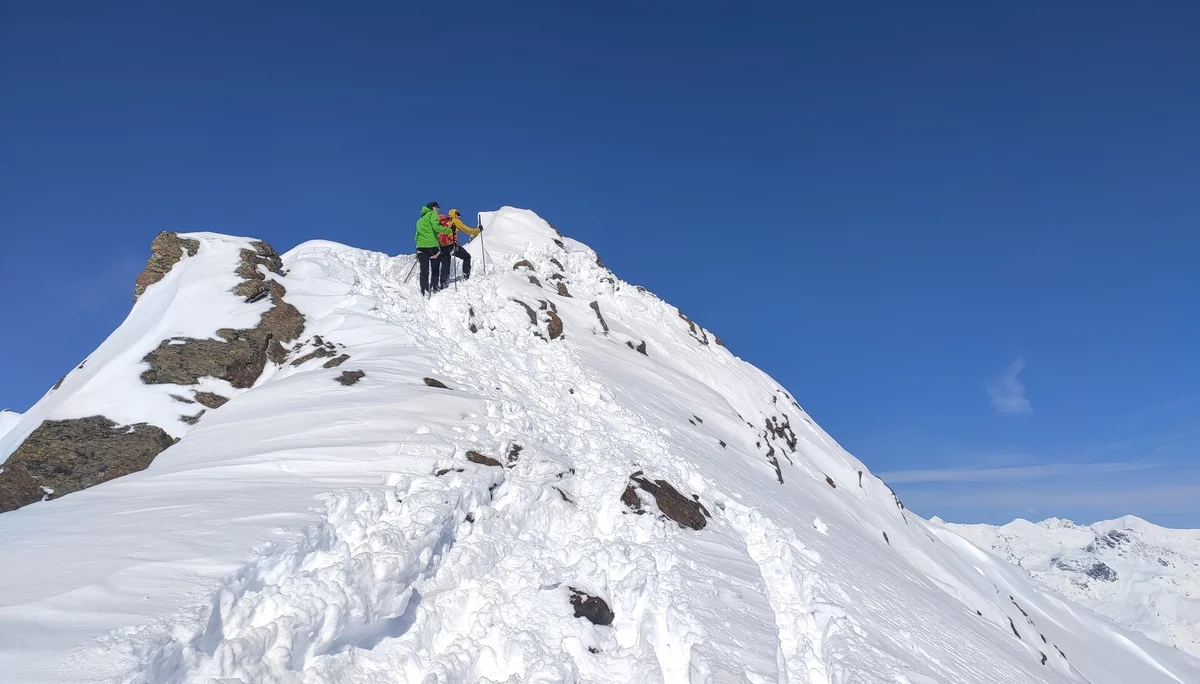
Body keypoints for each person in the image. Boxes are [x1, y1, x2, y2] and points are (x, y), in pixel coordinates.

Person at [414, 202, 452, 295]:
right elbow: (436, 227)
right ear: (432, 208)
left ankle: (424, 289)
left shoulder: (419, 220)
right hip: (431, 246)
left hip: (420, 247)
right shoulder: (433, 214)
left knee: (424, 269)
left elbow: (416, 236)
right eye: (437, 207)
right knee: (435, 267)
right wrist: (449, 230)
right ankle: (434, 287)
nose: (438, 209)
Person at [446, 208, 481, 281]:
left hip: (442, 246)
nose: (459, 216)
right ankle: (466, 275)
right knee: (466, 256)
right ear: (454, 214)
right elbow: (467, 230)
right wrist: (478, 230)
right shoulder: (455, 221)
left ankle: (443, 281)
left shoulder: (446, 222)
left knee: (445, 262)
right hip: (451, 245)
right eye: (458, 214)